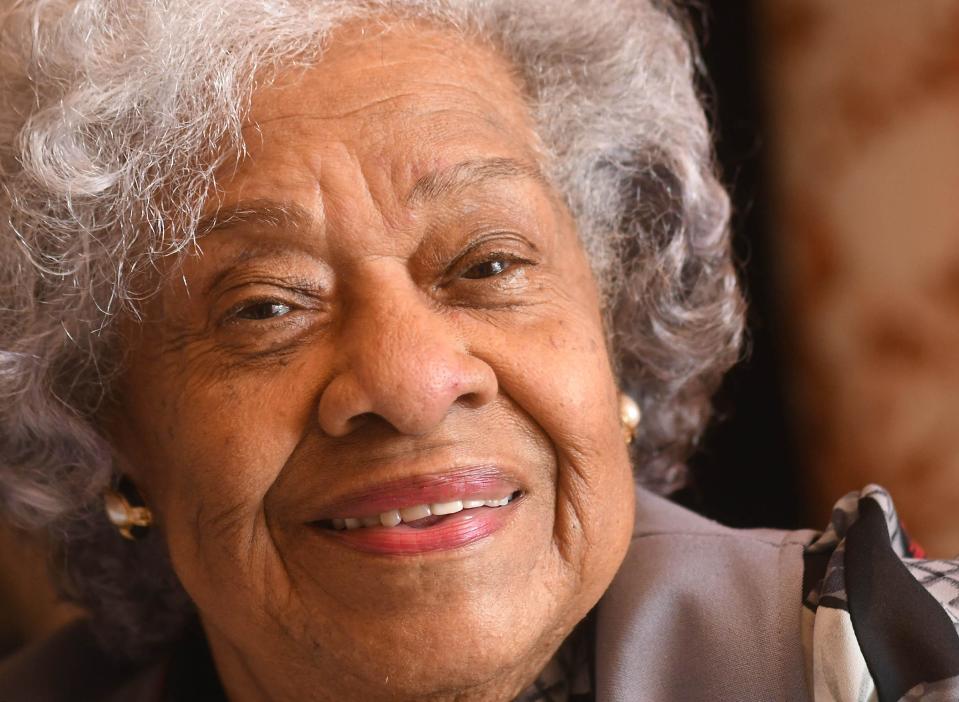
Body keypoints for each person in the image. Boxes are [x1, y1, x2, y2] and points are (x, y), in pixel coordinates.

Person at [0, 1, 957, 700]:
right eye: (264, 308)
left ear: (610, 327)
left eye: (488, 263)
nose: (410, 384)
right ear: (107, 426)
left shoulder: (888, 657)